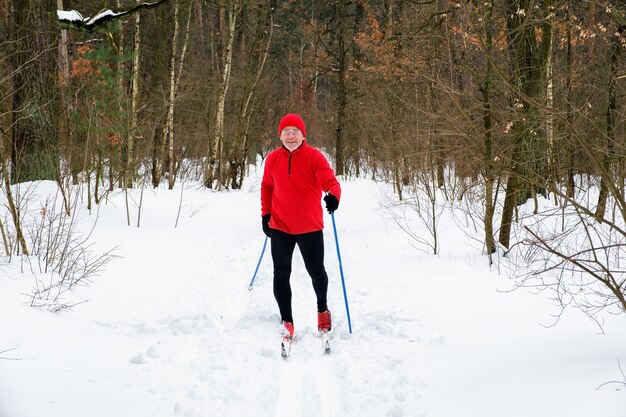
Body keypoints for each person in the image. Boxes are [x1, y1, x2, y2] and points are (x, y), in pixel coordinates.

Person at [260, 113, 341, 341]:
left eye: (296, 131)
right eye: (286, 131)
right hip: (280, 226)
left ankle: (323, 312)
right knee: (281, 273)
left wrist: (334, 196)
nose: (291, 135)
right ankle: (287, 321)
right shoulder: (273, 159)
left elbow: (330, 181)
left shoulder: (315, 157)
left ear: (303, 135)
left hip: (309, 226)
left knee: (316, 271)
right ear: (280, 135)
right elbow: (267, 187)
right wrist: (266, 214)